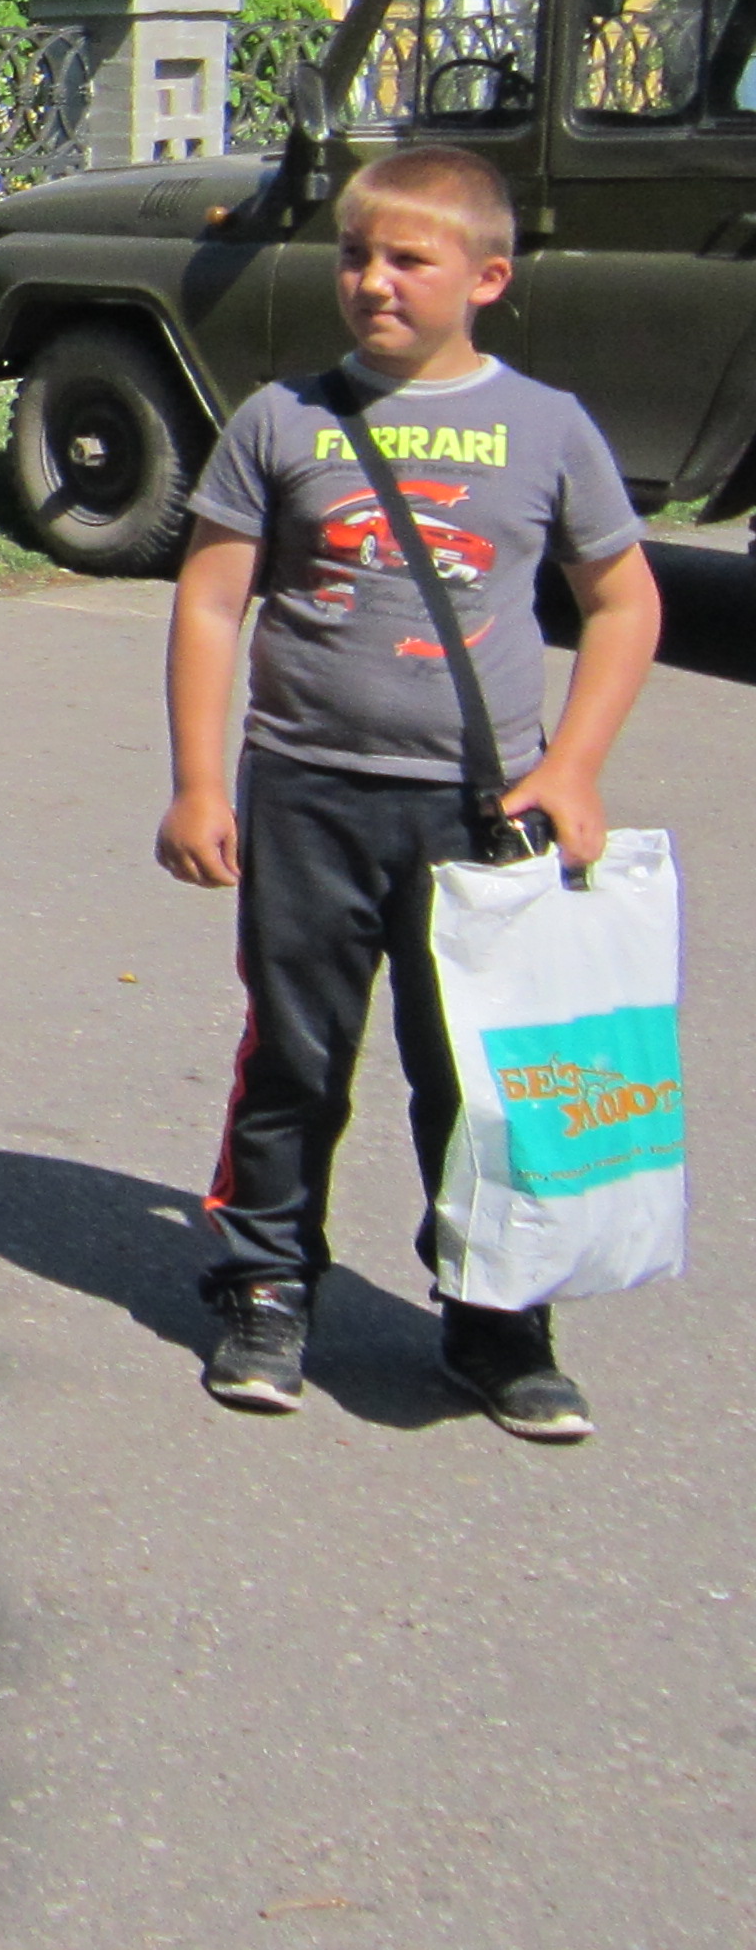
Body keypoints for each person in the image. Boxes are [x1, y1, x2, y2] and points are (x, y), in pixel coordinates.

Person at [162, 142, 659, 1441]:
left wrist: (577, 765)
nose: (373, 281)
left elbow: (624, 604)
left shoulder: (548, 426)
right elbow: (214, 602)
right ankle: (267, 1285)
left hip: (476, 812)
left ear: (486, 277)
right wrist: (201, 782)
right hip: (307, 796)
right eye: (355, 256)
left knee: (480, 1076)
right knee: (295, 1057)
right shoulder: (283, 418)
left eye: (407, 260)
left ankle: (498, 1324)